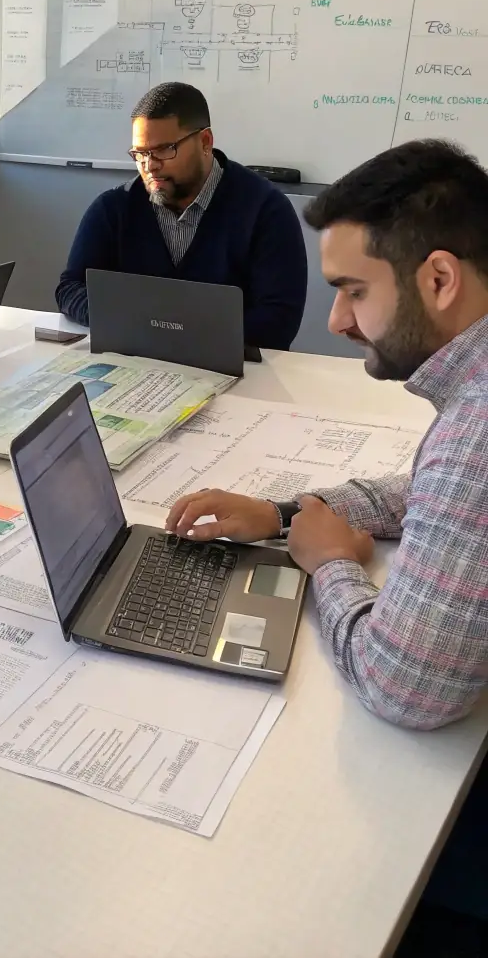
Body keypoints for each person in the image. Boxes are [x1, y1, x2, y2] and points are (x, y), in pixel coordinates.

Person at [166, 138, 488, 732]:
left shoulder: (476, 438)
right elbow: (429, 492)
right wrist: (282, 513)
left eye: (355, 291)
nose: (337, 320)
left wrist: (331, 563)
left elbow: (405, 690)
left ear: (439, 278)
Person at [55, 82, 307, 349]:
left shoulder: (266, 211)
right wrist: (130, 323)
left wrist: (180, 336)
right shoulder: (112, 210)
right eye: (140, 154)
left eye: (165, 150)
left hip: (238, 372)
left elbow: (279, 320)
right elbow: (71, 287)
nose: (150, 166)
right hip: (138, 362)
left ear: (205, 142)